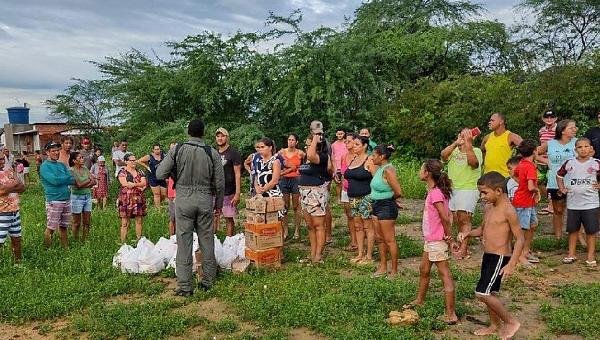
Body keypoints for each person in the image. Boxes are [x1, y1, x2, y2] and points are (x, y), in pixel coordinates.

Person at [156, 118, 225, 295]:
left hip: (184, 200)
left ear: (188, 132)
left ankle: (185, 286)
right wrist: (218, 206)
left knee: (184, 243)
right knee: (207, 241)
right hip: (204, 200)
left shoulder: (177, 149)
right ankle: (208, 281)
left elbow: (159, 173)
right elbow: (219, 183)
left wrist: (176, 174)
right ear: (203, 132)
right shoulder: (212, 152)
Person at [458, 171, 524, 339]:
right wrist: (467, 234)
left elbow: (520, 239)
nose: (482, 196)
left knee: (482, 293)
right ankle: (495, 325)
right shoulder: (489, 207)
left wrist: (511, 264)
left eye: (485, 192)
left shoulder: (508, 210)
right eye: (481, 192)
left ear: (499, 191)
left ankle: (510, 321)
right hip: (488, 256)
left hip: (500, 257)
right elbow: (482, 229)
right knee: (490, 292)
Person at [404, 159, 457, 325]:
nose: (420, 172)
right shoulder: (435, 190)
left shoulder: (435, 193)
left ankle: (451, 314)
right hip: (431, 239)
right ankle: (420, 300)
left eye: (421, 170)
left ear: (427, 173)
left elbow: (444, 216)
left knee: (445, 275)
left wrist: (449, 237)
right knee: (424, 269)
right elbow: (449, 214)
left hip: (437, 240)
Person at [557, 138, 599, 267]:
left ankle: (591, 256)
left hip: (591, 203)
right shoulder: (570, 163)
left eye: (586, 146)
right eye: (580, 147)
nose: (583, 149)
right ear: (575, 150)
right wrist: (562, 188)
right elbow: (559, 175)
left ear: (591, 148)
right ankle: (571, 254)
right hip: (573, 203)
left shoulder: (596, 163)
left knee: (591, 231)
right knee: (573, 230)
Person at [441, 128, 482, 259]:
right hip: (453, 189)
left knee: (465, 218)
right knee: (455, 218)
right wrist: (455, 143)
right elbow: (443, 155)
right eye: (462, 134)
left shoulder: (476, 151)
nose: (464, 137)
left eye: (467, 135)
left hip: (468, 189)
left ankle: (463, 249)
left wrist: (468, 144)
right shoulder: (453, 151)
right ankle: (457, 243)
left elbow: (474, 164)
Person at [537, 119, 577, 239]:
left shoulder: (577, 142)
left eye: (575, 127)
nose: (575, 129)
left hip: (573, 181)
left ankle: (575, 237)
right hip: (555, 181)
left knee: (574, 210)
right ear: (563, 130)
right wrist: (545, 161)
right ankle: (558, 237)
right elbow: (534, 152)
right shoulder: (550, 143)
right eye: (572, 127)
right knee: (558, 209)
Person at [298, 121, 330, 264]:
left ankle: (318, 255)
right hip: (304, 193)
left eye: (309, 143)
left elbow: (312, 156)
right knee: (310, 226)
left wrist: (316, 139)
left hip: (316, 193)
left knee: (318, 225)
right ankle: (312, 253)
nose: (307, 146)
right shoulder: (305, 157)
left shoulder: (322, 157)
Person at [370, 145, 403, 278]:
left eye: (374, 155)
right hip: (376, 206)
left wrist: (390, 199)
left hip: (386, 206)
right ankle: (383, 267)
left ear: (381, 156)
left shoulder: (388, 170)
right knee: (379, 238)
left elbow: (398, 191)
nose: (372, 157)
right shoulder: (379, 169)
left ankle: (394, 270)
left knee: (389, 239)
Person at [346, 135, 376, 264]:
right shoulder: (353, 159)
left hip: (366, 197)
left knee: (368, 226)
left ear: (364, 146)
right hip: (353, 197)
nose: (354, 146)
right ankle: (360, 253)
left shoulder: (369, 160)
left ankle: (369, 255)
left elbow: (376, 180)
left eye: (357, 144)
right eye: (353, 144)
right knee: (357, 226)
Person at [40, 141, 75, 248]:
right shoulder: (44, 166)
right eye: (53, 151)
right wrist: (65, 178)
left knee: (64, 226)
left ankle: (65, 248)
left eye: (57, 150)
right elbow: (54, 181)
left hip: (66, 199)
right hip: (54, 200)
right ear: (47, 152)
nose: (56, 153)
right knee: (51, 227)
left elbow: (72, 180)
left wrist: (64, 179)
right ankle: (47, 249)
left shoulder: (61, 165)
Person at [512, 140, 540, 266]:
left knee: (533, 225)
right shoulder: (530, 166)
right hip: (524, 202)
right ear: (534, 151)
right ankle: (520, 256)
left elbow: (514, 174)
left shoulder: (521, 163)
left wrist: (520, 185)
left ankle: (526, 250)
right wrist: (537, 190)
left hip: (525, 201)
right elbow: (530, 187)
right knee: (522, 230)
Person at [213, 128, 241, 236]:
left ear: (227, 138)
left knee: (228, 218)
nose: (220, 138)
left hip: (229, 191)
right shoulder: (214, 153)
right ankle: (213, 241)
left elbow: (237, 173)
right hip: (215, 190)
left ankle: (229, 241)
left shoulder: (233, 153)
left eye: (222, 136)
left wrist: (237, 193)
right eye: (218, 136)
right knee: (214, 216)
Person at [278, 133, 305, 240]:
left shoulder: (300, 153)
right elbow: (275, 162)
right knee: (284, 206)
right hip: (284, 179)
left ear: (296, 142)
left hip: (296, 179)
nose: (290, 142)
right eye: (289, 140)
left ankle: (297, 230)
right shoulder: (281, 152)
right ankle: (285, 230)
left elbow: (307, 163)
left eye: (293, 140)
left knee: (296, 206)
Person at [0, 155, 25, 262]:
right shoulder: (10, 173)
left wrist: (10, 187)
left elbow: (22, 187)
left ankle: (17, 263)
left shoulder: (9, 171)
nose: (1, 161)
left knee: (17, 239)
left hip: (15, 211)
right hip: (2, 212)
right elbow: (2, 191)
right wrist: (15, 184)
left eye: (2, 159)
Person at [117, 153, 147, 242]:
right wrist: (139, 185)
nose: (134, 162)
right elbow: (124, 184)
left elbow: (144, 183)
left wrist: (134, 184)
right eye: (131, 160)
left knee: (139, 221)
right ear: (126, 161)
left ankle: (139, 241)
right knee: (125, 223)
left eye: (135, 160)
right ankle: (123, 243)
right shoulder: (122, 172)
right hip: (126, 199)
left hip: (138, 199)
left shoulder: (140, 171)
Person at [481, 113, 523, 177]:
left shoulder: (511, 136)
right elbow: (482, 152)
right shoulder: (487, 137)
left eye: (492, 120)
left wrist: (516, 162)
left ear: (501, 122)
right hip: (488, 177)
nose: (489, 122)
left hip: (504, 177)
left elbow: (527, 149)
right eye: (490, 120)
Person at [69, 151, 96, 241]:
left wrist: (87, 182)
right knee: (76, 223)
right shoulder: (71, 171)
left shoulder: (85, 168)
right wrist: (89, 180)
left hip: (87, 196)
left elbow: (94, 181)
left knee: (87, 221)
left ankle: (85, 239)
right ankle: (75, 240)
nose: (82, 159)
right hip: (76, 198)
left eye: (82, 157)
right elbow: (78, 185)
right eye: (80, 158)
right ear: (74, 161)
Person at [254, 138, 284, 216]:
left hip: (272, 194)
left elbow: (275, 180)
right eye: (259, 147)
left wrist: (264, 189)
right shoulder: (259, 162)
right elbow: (256, 177)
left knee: (274, 221)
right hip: (260, 195)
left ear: (270, 148)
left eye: (263, 147)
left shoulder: (275, 161)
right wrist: (257, 187)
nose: (260, 149)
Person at [339, 133, 357, 251]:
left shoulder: (359, 156)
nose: (347, 143)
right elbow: (342, 173)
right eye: (346, 142)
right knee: (349, 216)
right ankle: (353, 241)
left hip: (357, 190)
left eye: (349, 141)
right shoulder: (344, 156)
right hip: (345, 190)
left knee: (359, 217)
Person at [538, 111, 558, 215]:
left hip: (554, 159)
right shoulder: (541, 130)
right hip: (542, 159)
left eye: (552, 117)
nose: (549, 119)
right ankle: (551, 203)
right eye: (547, 117)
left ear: (555, 118)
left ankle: (552, 205)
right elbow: (541, 144)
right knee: (540, 181)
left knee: (552, 182)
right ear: (543, 118)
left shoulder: (559, 129)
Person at [137, 144, 167, 208]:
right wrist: (147, 167)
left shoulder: (164, 155)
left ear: (160, 149)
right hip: (153, 177)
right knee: (156, 194)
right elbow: (139, 161)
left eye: (158, 149)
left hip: (162, 177)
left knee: (164, 194)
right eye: (155, 149)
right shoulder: (149, 156)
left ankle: (158, 204)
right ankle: (158, 210)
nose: (157, 151)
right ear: (153, 150)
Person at [331, 128, 347, 198]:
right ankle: (338, 198)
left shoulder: (346, 143)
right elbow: (332, 156)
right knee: (338, 183)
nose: (340, 135)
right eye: (339, 134)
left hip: (346, 165)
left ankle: (346, 198)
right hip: (337, 167)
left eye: (341, 134)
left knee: (346, 182)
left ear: (344, 134)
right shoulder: (333, 145)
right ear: (336, 134)